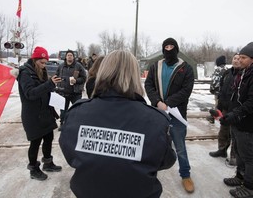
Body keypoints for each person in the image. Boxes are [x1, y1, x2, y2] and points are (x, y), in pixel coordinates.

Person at [59, 50, 176, 198]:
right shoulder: (156, 120)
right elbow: (166, 160)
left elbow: (69, 152)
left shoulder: (77, 113)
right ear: (135, 75)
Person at [145, 37, 195, 193]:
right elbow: (148, 85)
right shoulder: (156, 66)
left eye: (171, 46)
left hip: (177, 113)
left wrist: (169, 103)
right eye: (166, 46)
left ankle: (185, 175)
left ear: (177, 49)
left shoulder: (185, 68)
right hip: (159, 111)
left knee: (179, 146)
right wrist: (158, 102)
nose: (168, 49)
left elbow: (186, 90)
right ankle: (150, 172)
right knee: (155, 143)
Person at [17, 46, 62, 181]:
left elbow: (43, 90)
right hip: (32, 115)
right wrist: (49, 84)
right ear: (34, 59)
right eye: (41, 62)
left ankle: (47, 163)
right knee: (35, 143)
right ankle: (33, 169)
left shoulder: (41, 71)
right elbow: (30, 94)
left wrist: (54, 92)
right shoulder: (25, 73)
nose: (44, 65)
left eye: (45, 62)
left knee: (48, 138)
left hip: (45, 112)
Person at [220, 42, 253, 198]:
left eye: (243, 58)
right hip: (238, 121)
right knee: (239, 151)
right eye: (238, 57)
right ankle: (240, 177)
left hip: (248, 124)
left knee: (248, 156)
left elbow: (250, 102)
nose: (239, 60)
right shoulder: (244, 73)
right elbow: (234, 95)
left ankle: (249, 186)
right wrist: (226, 113)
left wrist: (235, 114)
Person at [209, 53, 240, 164]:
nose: (236, 60)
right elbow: (222, 89)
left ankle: (234, 157)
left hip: (236, 110)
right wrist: (220, 106)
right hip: (225, 108)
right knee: (223, 131)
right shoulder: (227, 73)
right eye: (234, 58)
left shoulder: (243, 74)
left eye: (239, 58)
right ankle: (222, 150)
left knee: (235, 134)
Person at [55, 50, 87, 128]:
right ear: (66, 57)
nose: (69, 56)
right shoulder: (61, 66)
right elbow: (56, 76)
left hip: (75, 92)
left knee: (77, 109)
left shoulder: (78, 66)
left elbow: (84, 77)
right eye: (68, 55)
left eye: (71, 55)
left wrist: (76, 81)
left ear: (73, 57)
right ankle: (62, 123)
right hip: (63, 92)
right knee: (63, 110)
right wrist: (58, 82)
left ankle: (77, 124)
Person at [207, 55, 228, 124]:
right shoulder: (227, 69)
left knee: (218, 105)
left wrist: (212, 90)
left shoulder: (218, 70)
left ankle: (213, 117)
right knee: (223, 106)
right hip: (226, 92)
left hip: (218, 92)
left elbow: (214, 81)